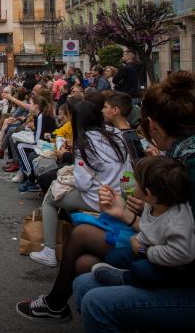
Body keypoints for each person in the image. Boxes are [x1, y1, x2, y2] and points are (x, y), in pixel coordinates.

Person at [70, 72, 195, 331]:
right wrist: (129, 215)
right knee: (83, 283)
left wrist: (142, 252)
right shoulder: (187, 157)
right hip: (192, 272)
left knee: (97, 302)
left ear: (152, 125)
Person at [28, 100, 130, 268]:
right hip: (121, 195)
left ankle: (49, 250)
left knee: (50, 198)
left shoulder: (85, 142)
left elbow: (83, 184)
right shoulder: (116, 134)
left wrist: (67, 178)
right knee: (64, 196)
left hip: (98, 197)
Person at [91, 156, 195, 288]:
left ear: (147, 193)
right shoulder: (154, 204)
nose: (133, 185)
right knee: (114, 257)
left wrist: (145, 250)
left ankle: (125, 278)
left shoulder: (177, 223)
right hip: (148, 251)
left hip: (172, 267)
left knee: (142, 270)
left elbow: (183, 254)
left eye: (136, 183)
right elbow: (150, 228)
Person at [14, 95, 58, 192]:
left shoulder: (41, 116)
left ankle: (31, 177)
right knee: (19, 143)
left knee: (20, 145)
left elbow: (38, 139)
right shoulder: (39, 115)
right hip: (43, 142)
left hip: (46, 145)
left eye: (31, 104)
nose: (29, 106)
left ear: (37, 106)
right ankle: (28, 174)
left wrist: (25, 139)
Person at [102, 92, 146, 162]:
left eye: (105, 107)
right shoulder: (133, 134)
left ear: (115, 110)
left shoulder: (125, 137)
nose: (102, 111)